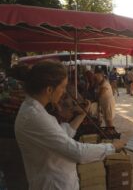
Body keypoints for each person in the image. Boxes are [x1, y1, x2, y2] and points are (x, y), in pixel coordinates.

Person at [14, 61, 125, 190]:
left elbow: (60, 134)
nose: (63, 92)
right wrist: (111, 147)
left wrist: (81, 115)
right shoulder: (34, 116)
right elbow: (77, 152)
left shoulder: (35, 111)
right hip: (54, 184)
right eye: (62, 87)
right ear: (49, 89)